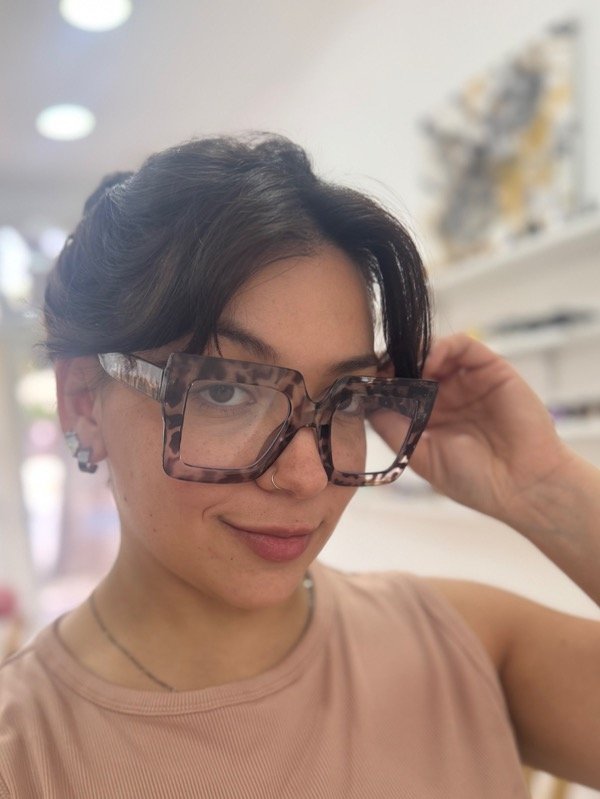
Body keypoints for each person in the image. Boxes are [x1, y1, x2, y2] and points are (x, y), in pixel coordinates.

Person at [0, 134, 598, 799]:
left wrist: (546, 487)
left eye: (347, 399)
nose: (307, 477)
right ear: (85, 402)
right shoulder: (24, 758)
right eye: (225, 391)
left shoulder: (459, 643)